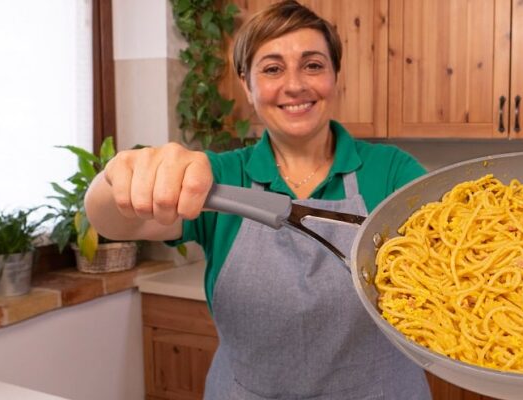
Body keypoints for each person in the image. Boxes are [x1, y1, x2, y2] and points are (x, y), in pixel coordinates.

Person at [85, 1, 431, 398]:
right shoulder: (217, 178)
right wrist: (117, 181)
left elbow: (447, 249)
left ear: (335, 76)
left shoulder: (391, 171)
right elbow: (112, 221)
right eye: (272, 69)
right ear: (247, 85)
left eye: (313, 65)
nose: (295, 84)